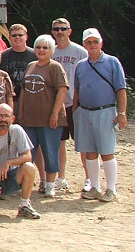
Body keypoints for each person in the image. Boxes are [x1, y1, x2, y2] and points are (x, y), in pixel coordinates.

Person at [74, 28, 127, 202]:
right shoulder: (81, 65)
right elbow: (77, 90)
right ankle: (95, 187)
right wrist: (75, 112)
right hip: (85, 112)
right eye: (89, 42)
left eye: (95, 41)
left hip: (106, 111)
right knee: (90, 152)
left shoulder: (112, 62)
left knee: (107, 151)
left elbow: (121, 89)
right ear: (84, 45)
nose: (92, 45)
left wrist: (121, 113)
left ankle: (111, 189)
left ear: (101, 43)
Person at [19, 34, 68, 198]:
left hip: (49, 119)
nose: (41, 50)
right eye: (39, 47)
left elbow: (62, 90)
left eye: (45, 48)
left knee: (50, 151)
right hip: (30, 119)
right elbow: (25, 89)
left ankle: (50, 184)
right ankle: (27, 183)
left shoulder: (55, 67)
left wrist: (55, 113)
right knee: (28, 153)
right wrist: (21, 112)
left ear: (51, 50)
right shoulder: (31, 65)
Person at [50, 18, 88, 192]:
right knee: (60, 142)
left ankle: (89, 178)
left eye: (63, 28)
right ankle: (61, 177)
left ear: (69, 31)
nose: (60, 32)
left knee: (83, 143)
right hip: (58, 104)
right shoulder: (51, 51)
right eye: (56, 29)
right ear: (52, 32)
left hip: (76, 103)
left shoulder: (80, 52)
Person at [0, 23, 36, 113]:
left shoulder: (35, 55)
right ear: (9, 37)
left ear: (26, 37)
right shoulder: (2, 56)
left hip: (29, 100)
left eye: (20, 35)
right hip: (9, 100)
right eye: (14, 35)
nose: (17, 37)